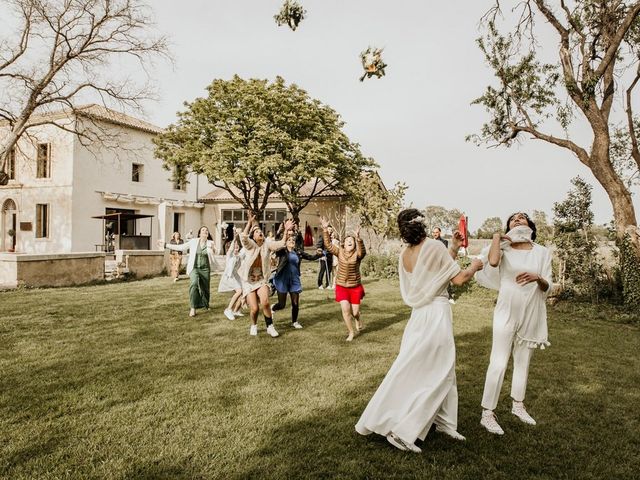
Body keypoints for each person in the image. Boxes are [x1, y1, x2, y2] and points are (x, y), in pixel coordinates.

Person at [355, 208, 483, 453]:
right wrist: (476, 265)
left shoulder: (405, 253)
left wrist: (454, 247)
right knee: (437, 372)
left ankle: (445, 422)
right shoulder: (434, 246)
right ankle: (403, 432)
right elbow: (457, 278)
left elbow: (437, 270)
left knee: (437, 369)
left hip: (418, 317)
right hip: (435, 314)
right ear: (423, 226)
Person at [475, 212, 553, 436]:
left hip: (532, 310)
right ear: (508, 226)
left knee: (523, 361)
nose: (518, 220)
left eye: (522, 218)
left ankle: (518, 405)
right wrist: (498, 238)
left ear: (530, 225)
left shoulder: (542, 252)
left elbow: (550, 285)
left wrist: (538, 277)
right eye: (513, 218)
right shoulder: (503, 248)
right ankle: (487, 413)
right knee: (498, 361)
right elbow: (491, 262)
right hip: (507, 309)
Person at [239, 214, 292, 337]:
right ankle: (254, 325)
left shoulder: (267, 244)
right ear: (253, 236)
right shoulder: (250, 245)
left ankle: (270, 326)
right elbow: (244, 238)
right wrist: (249, 223)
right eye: (256, 231)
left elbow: (281, 244)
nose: (259, 232)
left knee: (266, 302)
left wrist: (286, 230)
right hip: (248, 281)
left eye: (260, 231)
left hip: (262, 279)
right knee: (254, 309)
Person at [320, 217, 366, 342]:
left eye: (352, 241)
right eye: (347, 241)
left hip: (355, 286)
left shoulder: (357, 254)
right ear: (343, 244)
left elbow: (363, 252)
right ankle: (351, 332)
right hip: (341, 285)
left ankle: (357, 319)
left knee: (355, 312)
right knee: (346, 310)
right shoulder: (339, 252)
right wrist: (325, 229)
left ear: (354, 243)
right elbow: (328, 245)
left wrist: (358, 238)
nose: (350, 242)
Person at [271, 228, 322, 329]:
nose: (292, 241)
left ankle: (294, 322)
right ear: (285, 242)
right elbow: (276, 245)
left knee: (295, 303)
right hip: (283, 279)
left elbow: (310, 257)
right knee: (282, 304)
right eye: (289, 240)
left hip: (294, 280)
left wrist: (318, 254)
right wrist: (281, 232)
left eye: (293, 240)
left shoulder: (298, 252)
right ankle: (272, 307)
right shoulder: (282, 251)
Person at [161, 226, 216, 317]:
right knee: (194, 284)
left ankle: (205, 304)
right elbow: (181, 247)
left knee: (205, 289)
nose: (205, 231)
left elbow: (215, 252)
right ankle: (193, 308)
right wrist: (166, 245)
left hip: (205, 268)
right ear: (199, 233)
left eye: (207, 230)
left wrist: (214, 249)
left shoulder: (211, 243)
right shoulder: (194, 241)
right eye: (203, 230)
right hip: (194, 268)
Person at [218, 232, 245, 320]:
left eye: (238, 245)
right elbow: (231, 247)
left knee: (243, 292)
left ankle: (236, 310)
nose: (236, 246)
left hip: (235, 276)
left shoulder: (240, 255)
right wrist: (235, 237)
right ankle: (228, 309)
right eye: (235, 245)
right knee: (239, 291)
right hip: (229, 276)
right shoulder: (229, 255)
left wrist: (240, 237)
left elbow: (244, 249)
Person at [316, 224, 334, 289]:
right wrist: (321, 255)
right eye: (329, 230)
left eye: (331, 230)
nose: (330, 231)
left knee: (328, 271)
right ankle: (320, 284)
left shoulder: (331, 237)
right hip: (324, 256)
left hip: (330, 256)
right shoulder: (322, 236)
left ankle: (328, 285)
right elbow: (318, 246)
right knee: (322, 270)